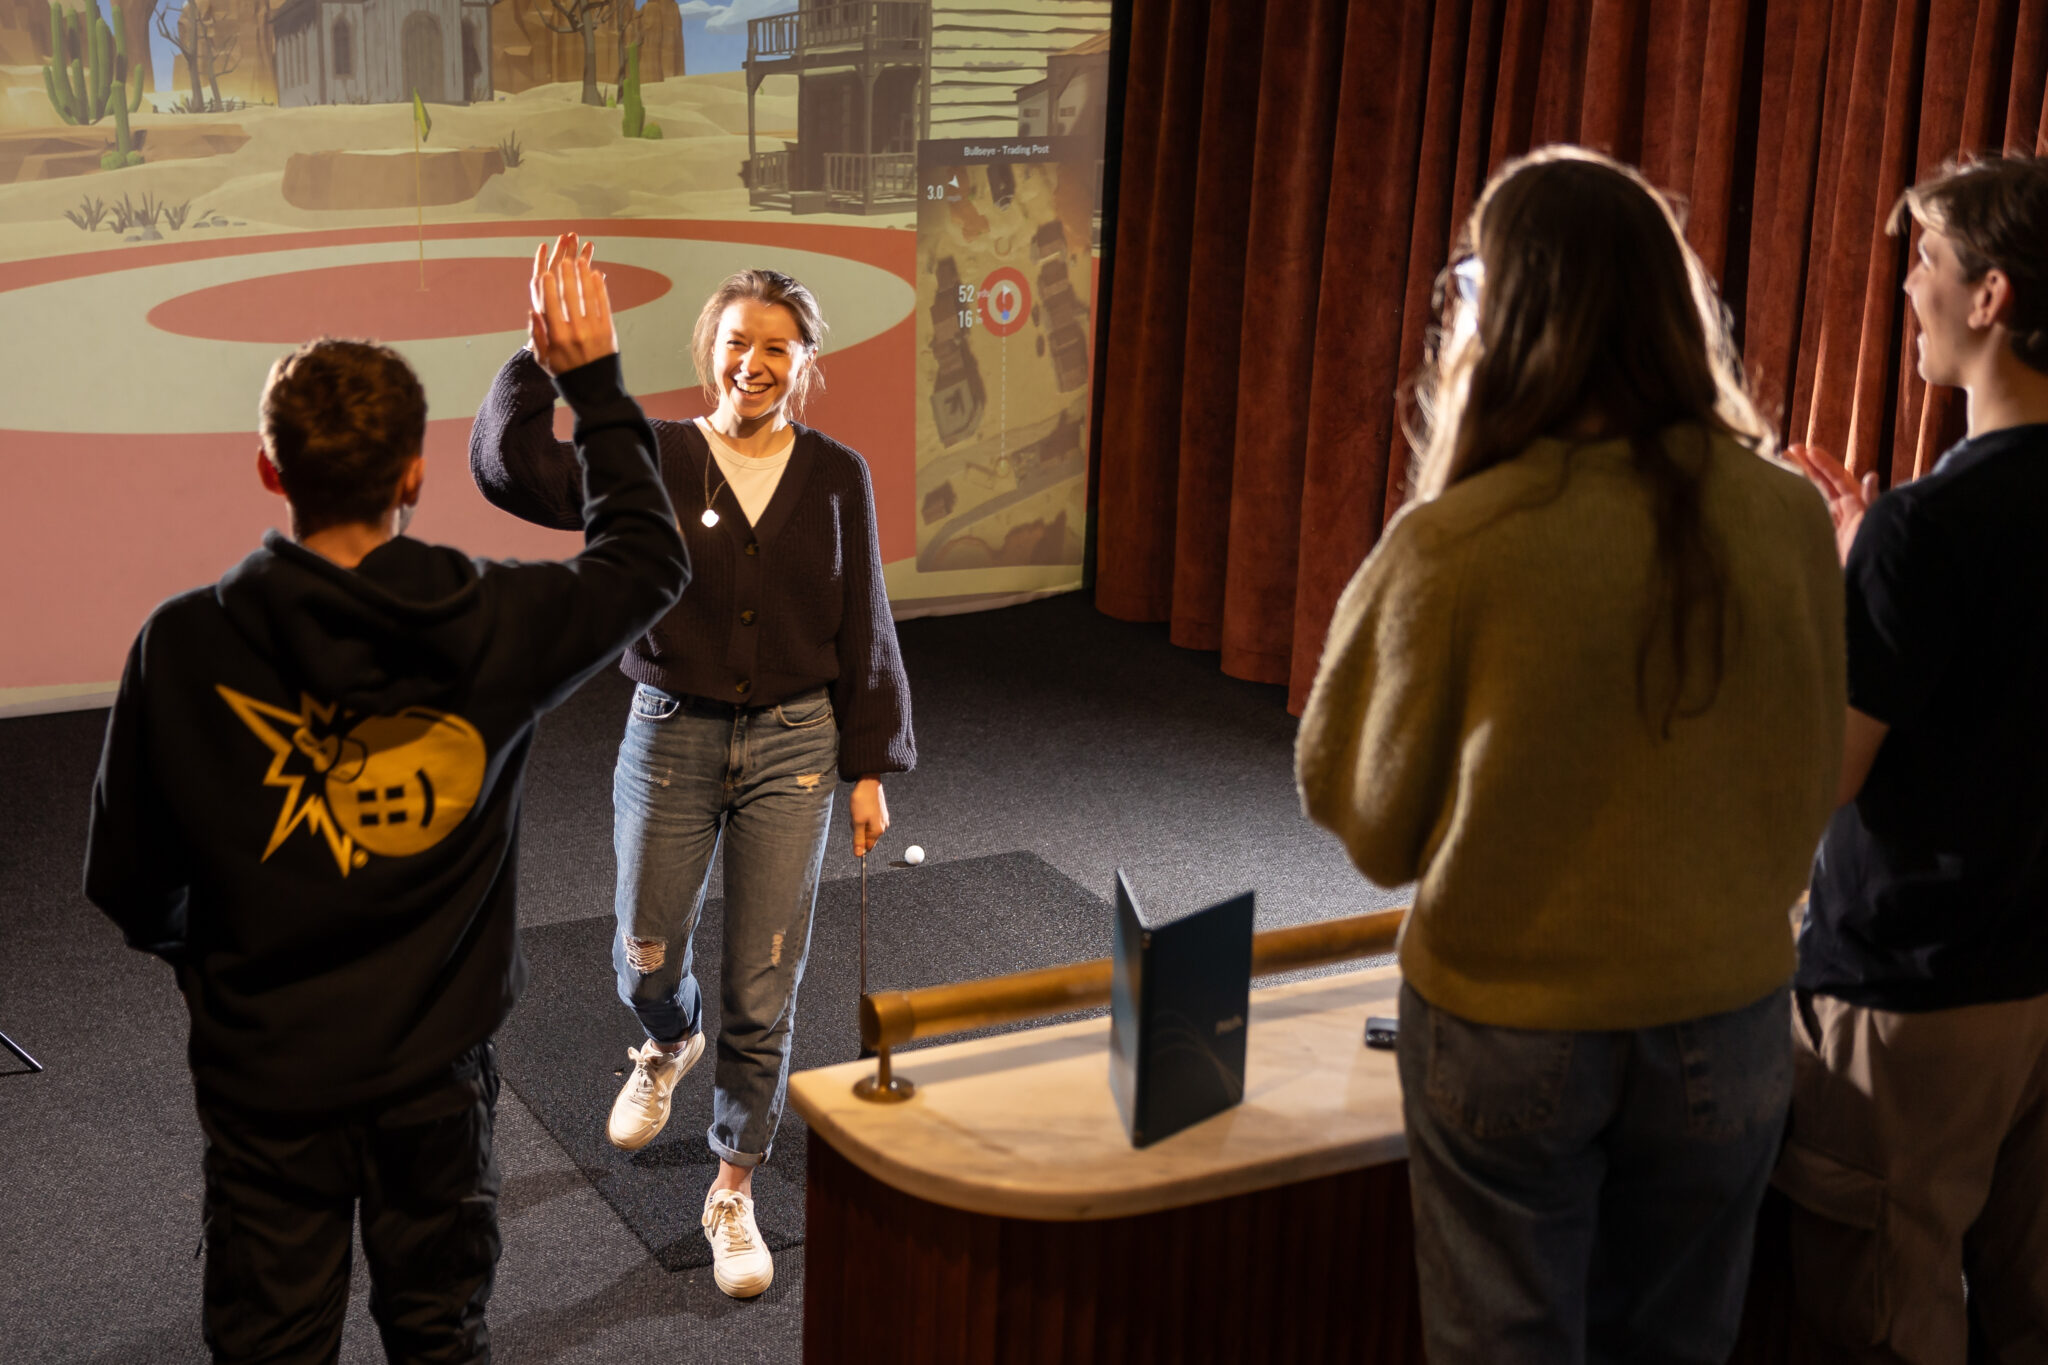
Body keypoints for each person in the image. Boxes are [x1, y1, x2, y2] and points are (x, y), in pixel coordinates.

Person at [82, 245, 686, 1363]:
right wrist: (590, 381)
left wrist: (229, 968)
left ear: (269, 470)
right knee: (437, 1338)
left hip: (265, 1079)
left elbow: (124, 880)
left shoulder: (181, 643)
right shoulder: (491, 620)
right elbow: (648, 556)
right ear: (414, 473)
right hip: (433, 1083)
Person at [1295, 146, 1845, 1364]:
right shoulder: (1788, 516)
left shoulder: (1457, 541)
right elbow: (1813, 781)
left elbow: (1368, 823)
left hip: (1508, 1030)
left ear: (1502, 315)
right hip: (1731, 1021)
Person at [471, 238, 914, 1300]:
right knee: (643, 958)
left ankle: (731, 1185)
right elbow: (517, 472)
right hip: (669, 735)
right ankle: (668, 1040)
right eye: (737, 342)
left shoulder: (837, 475)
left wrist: (868, 766)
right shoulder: (658, 457)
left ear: (804, 360)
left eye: (777, 348)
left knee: (765, 983)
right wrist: (540, 360)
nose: (753, 364)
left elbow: (865, 624)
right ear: (708, 348)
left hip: (796, 747)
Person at [1776, 152, 2048, 1365]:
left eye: (1924, 260)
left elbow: (1819, 777)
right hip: (2033, 981)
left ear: (1990, 296)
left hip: (1909, 1008)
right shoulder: (1917, 528)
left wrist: (1838, 592)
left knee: (1884, 1328)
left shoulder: (1922, 531)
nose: (1903, 287)